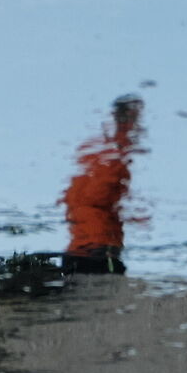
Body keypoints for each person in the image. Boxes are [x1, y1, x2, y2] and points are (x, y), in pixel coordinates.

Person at [60, 95, 144, 275]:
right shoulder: (98, 178)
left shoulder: (79, 183)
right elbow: (103, 189)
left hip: (83, 251)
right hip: (97, 252)